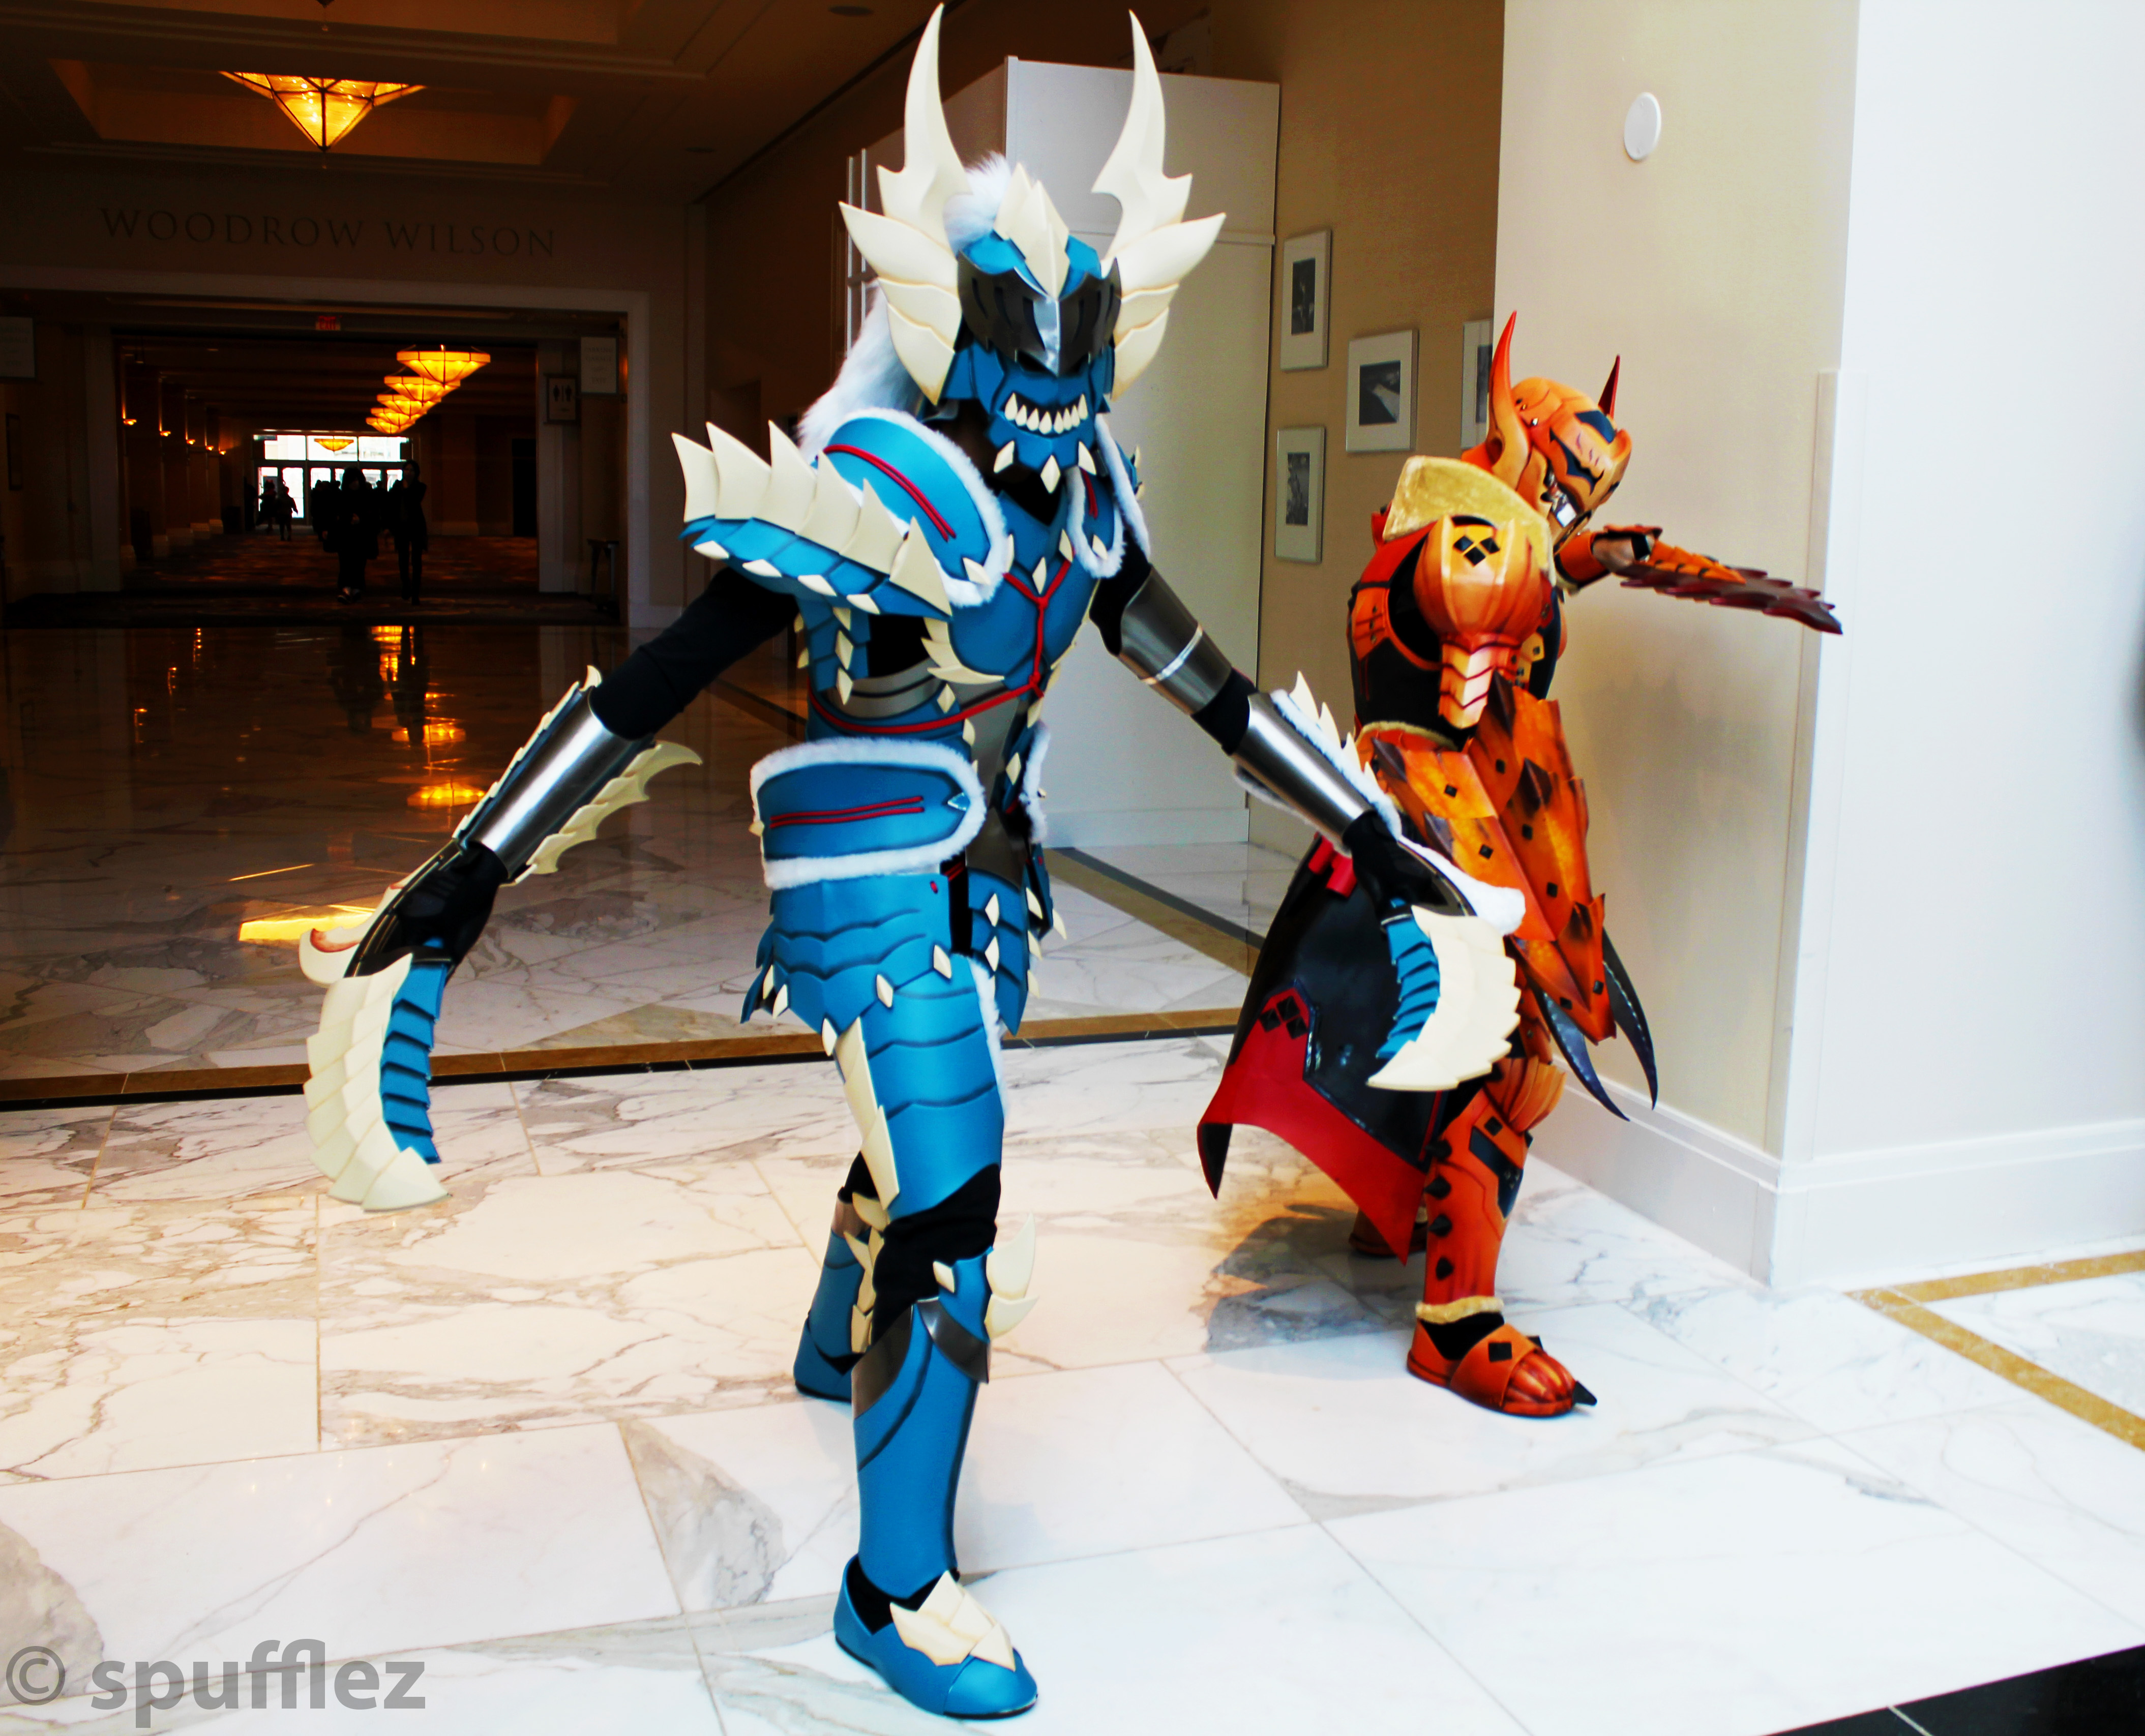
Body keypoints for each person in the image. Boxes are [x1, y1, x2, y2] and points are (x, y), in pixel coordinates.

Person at [291, 11, 1516, 1718]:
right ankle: (894, 1591)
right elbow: (657, 680)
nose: (1050, 407)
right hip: (862, 864)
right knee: (953, 1208)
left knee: (917, 1144)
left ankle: (826, 1343)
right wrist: (470, 867)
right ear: (949, 337)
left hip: (992, 876)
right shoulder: (866, 488)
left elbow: (1218, 695)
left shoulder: (1085, 501)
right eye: (1026, 361)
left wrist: (1377, 832)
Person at [1198, 314, 1841, 1417]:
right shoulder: (1474, 555)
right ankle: (1456, 1323)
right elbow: (1474, 714)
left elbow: (1549, 570)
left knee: (1396, 1025)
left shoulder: (1454, 534)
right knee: (1506, 1051)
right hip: (1440, 813)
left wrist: (1657, 570)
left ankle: (1399, 1211)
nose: (1575, 516)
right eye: (1569, 489)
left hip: (1409, 810)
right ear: (1526, 450)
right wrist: (1534, 921)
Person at [332, 465, 376, 602]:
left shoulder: (366, 496)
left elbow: (374, 516)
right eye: (352, 481)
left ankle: (356, 588)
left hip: (361, 535)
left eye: (356, 480)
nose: (354, 483)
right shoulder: (342, 496)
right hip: (346, 535)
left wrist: (361, 519)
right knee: (346, 562)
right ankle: (347, 589)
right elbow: (336, 515)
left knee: (359, 563)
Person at [390, 464, 429, 603]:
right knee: (403, 559)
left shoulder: (420, 487)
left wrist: (406, 489)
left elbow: (413, 501)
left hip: (416, 526)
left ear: (416, 472)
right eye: (406, 470)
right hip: (402, 527)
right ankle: (406, 585)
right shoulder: (397, 486)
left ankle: (416, 593)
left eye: (412, 470)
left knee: (416, 561)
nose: (409, 472)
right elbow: (392, 504)